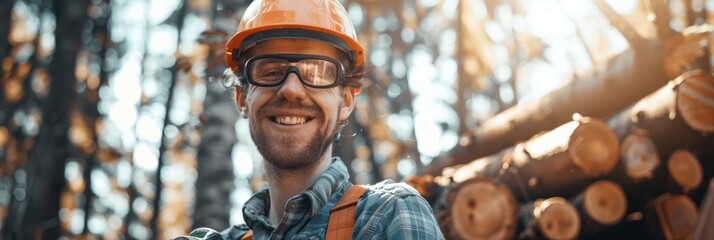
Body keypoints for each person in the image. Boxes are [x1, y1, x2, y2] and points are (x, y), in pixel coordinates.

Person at [179, 0, 444, 239]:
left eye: (317, 72)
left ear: (346, 102)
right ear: (241, 97)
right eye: (270, 71)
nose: (291, 89)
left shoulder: (388, 216)